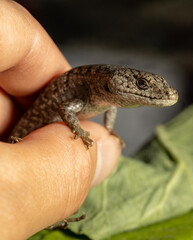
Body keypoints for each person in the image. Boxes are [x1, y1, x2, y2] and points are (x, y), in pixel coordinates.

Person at [0, 1, 121, 238]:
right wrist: (81, 132)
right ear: (113, 82)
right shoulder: (91, 94)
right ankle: (44, 215)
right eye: (141, 85)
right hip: (23, 131)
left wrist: (110, 131)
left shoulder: (110, 99)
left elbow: (111, 108)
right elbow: (67, 109)